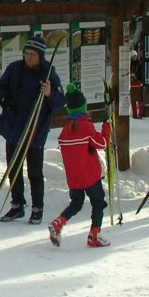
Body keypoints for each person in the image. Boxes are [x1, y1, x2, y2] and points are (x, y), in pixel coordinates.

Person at [0, 35, 63, 223]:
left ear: (40, 55)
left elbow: (59, 102)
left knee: (35, 171)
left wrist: (50, 94)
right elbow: (1, 87)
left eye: (32, 54)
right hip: (14, 126)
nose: (28, 57)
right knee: (13, 168)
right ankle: (17, 204)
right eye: (26, 53)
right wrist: (6, 102)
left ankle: (37, 207)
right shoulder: (15, 68)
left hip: (36, 128)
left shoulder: (48, 73)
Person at [49, 85, 110, 246]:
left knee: (76, 204)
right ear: (83, 108)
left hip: (73, 177)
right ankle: (94, 235)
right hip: (89, 175)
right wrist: (107, 126)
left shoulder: (65, 130)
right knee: (98, 202)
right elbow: (102, 143)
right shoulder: (86, 126)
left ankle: (58, 223)